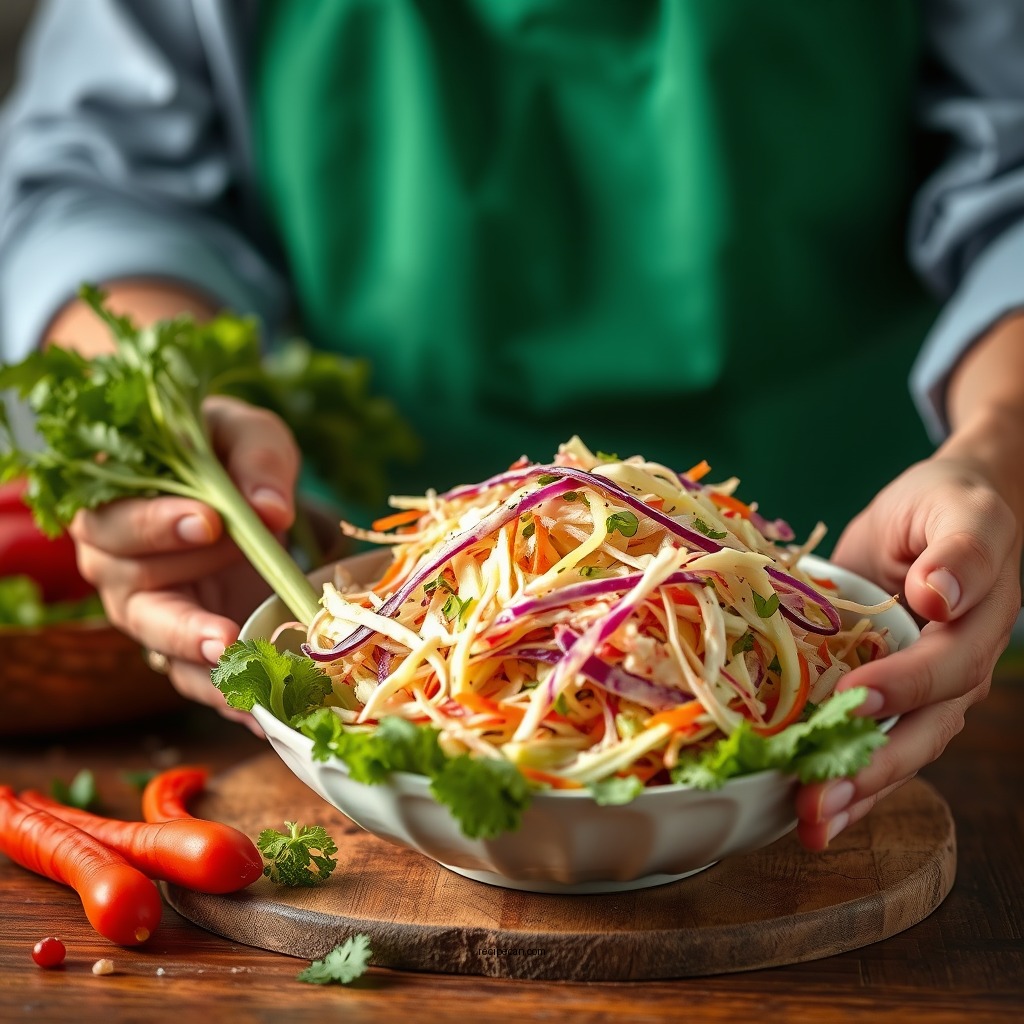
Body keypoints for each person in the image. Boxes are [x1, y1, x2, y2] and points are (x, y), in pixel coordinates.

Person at [1, 0, 1022, 852]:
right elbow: (99, 180)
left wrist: (999, 447)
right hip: (385, 616)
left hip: (895, 603)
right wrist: (185, 441)